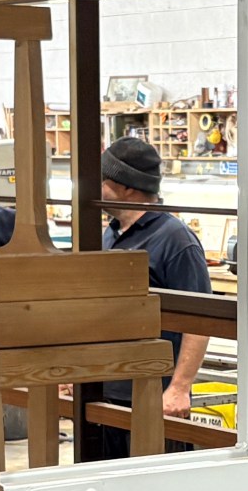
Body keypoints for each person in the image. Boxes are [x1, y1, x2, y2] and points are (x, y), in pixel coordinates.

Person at [83, 134, 211, 460]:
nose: (95, 188)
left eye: (103, 181)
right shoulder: (110, 233)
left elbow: (201, 320)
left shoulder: (175, 240)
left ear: (127, 188)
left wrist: (180, 387)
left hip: (152, 394)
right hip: (105, 390)